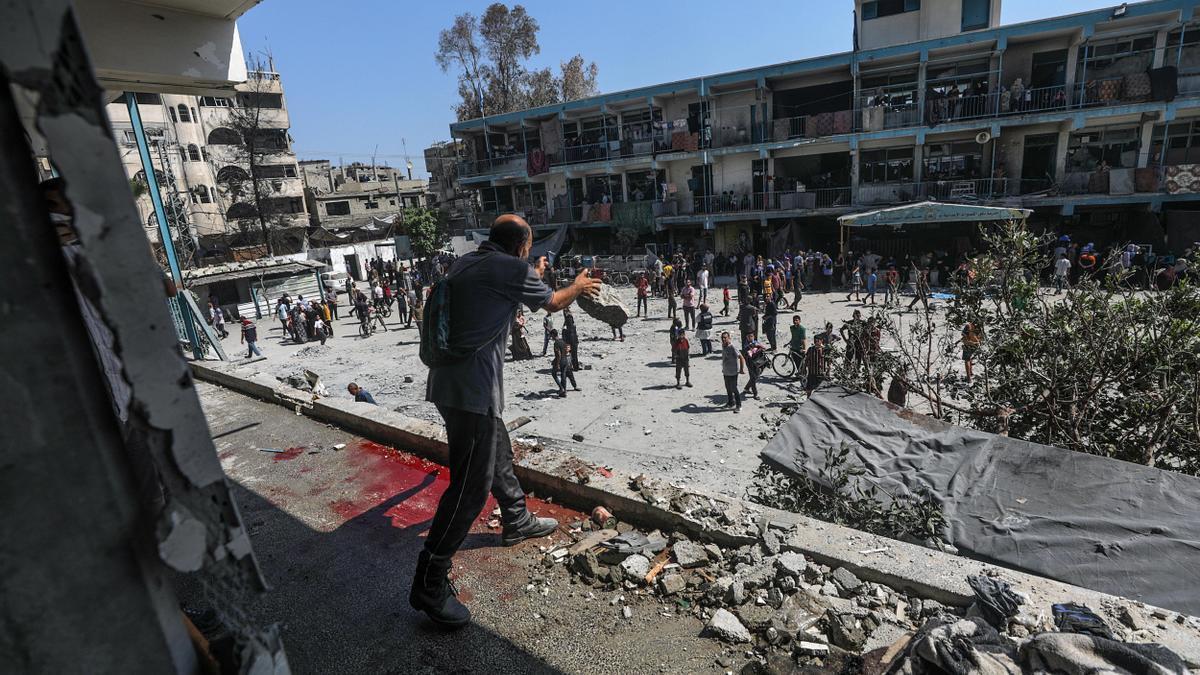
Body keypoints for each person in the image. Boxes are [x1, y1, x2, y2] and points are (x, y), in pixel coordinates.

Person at [413, 214, 601, 628]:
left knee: (498, 451)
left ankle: (516, 518)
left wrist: (529, 272)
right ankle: (431, 577)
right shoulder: (510, 269)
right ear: (521, 246)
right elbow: (552, 301)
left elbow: (500, 292)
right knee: (469, 488)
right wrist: (579, 287)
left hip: (448, 383)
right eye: (528, 250)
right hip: (472, 393)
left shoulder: (468, 262)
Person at [720, 331, 745, 413]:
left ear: (729, 338)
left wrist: (741, 369)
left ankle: (739, 405)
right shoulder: (723, 346)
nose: (723, 339)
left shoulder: (732, 347)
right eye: (722, 338)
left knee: (734, 388)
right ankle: (731, 402)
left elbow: (741, 357)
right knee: (728, 388)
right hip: (726, 371)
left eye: (725, 337)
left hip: (733, 372)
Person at [550, 330, 578, 397]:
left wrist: (557, 364)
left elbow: (558, 354)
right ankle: (564, 391)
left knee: (554, 374)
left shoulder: (556, 343)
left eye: (551, 335)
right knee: (564, 375)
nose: (551, 337)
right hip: (565, 360)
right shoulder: (562, 341)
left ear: (553, 335)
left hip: (561, 360)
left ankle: (562, 389)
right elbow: (566, 351)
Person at [741, 333, 765, 400]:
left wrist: (758, 346)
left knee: (755, 377)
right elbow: (748, 354)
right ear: (747, 337)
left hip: (758, 363)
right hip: (750, 364)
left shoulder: (756, 342)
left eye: (751, 336)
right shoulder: (746, 345)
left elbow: (764, 348)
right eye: (749, 337)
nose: (750, 338)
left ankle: (746, 388)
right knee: (753, 378)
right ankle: (755, 394)